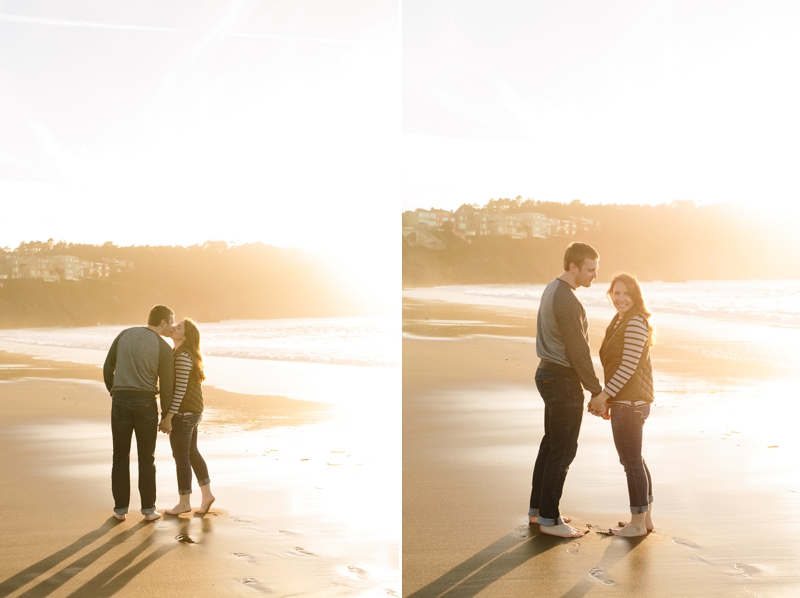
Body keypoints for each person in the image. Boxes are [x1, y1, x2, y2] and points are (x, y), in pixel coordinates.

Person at [529, 242, 604, 538]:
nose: (595, 275)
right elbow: (578, 351)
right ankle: (549, 519)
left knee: (551, 445)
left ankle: (538, 511)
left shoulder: (552, 289)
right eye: (590, 269)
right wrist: (596, 390)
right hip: (562, 379)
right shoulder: (568, 300)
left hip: (548, 373)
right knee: (563, 449)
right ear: (573, 267)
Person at [588, 272, 655, 537]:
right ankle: (644, 520)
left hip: (631, 403)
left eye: (627, 294)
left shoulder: (636, 322)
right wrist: (610, 398)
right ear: (610, 294)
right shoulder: (619, 321)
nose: (621, 299)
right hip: (626, 400)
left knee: (631, 462)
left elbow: (627, 366)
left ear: (636, 296)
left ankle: (637, 524)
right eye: (616, 293)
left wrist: (604, 396)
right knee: (634, 459)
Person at [104, 304, 175, 522]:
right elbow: (167, 384)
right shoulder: (163, 347)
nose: (172, 326)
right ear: (163, 322)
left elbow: (108, 367)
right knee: (146, 457)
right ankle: (148, 511)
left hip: (120, 402)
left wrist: (114, 392)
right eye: (171, 321)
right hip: (145, 404)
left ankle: (120, 510)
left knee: (119, 456)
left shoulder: (124, 335)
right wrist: (166, 415)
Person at [158, 318, 215, 515]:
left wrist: (168, 417)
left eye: (179, 326)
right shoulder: (181, 353)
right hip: (193, 412)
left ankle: (184, 503)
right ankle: (207, 495)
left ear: (186, 335)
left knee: (181, 457)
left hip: (184, 414)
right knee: (192, 453)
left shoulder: (182, 357)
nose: (174, 327)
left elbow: (180, 390)